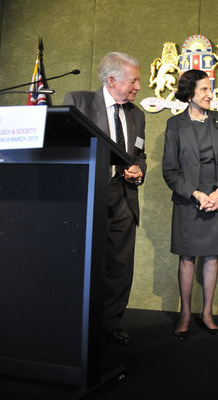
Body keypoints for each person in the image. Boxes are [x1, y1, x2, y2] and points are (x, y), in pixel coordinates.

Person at [64, 52, 147, 345]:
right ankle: (77, 325)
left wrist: (138, 170)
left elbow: (140, 153)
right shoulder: (79, 102)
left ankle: (110, 323)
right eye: (133, 80)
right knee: (85, 263)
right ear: (112, 80)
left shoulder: (137, 114)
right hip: (89, 196)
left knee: (119, 266)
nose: (138, 86)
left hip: (123, 197)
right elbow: (67, 148)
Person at [162, 69, 218, 339]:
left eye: (210, 88)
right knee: (187, 258)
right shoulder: (175, 125)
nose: (210, 94)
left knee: (212, 258)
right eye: (204, 89)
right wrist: (195, 194)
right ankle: (184, 314)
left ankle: (207, 313)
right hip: (188, 200)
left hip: (217, 198)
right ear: (189, 94)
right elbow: (170, 171)